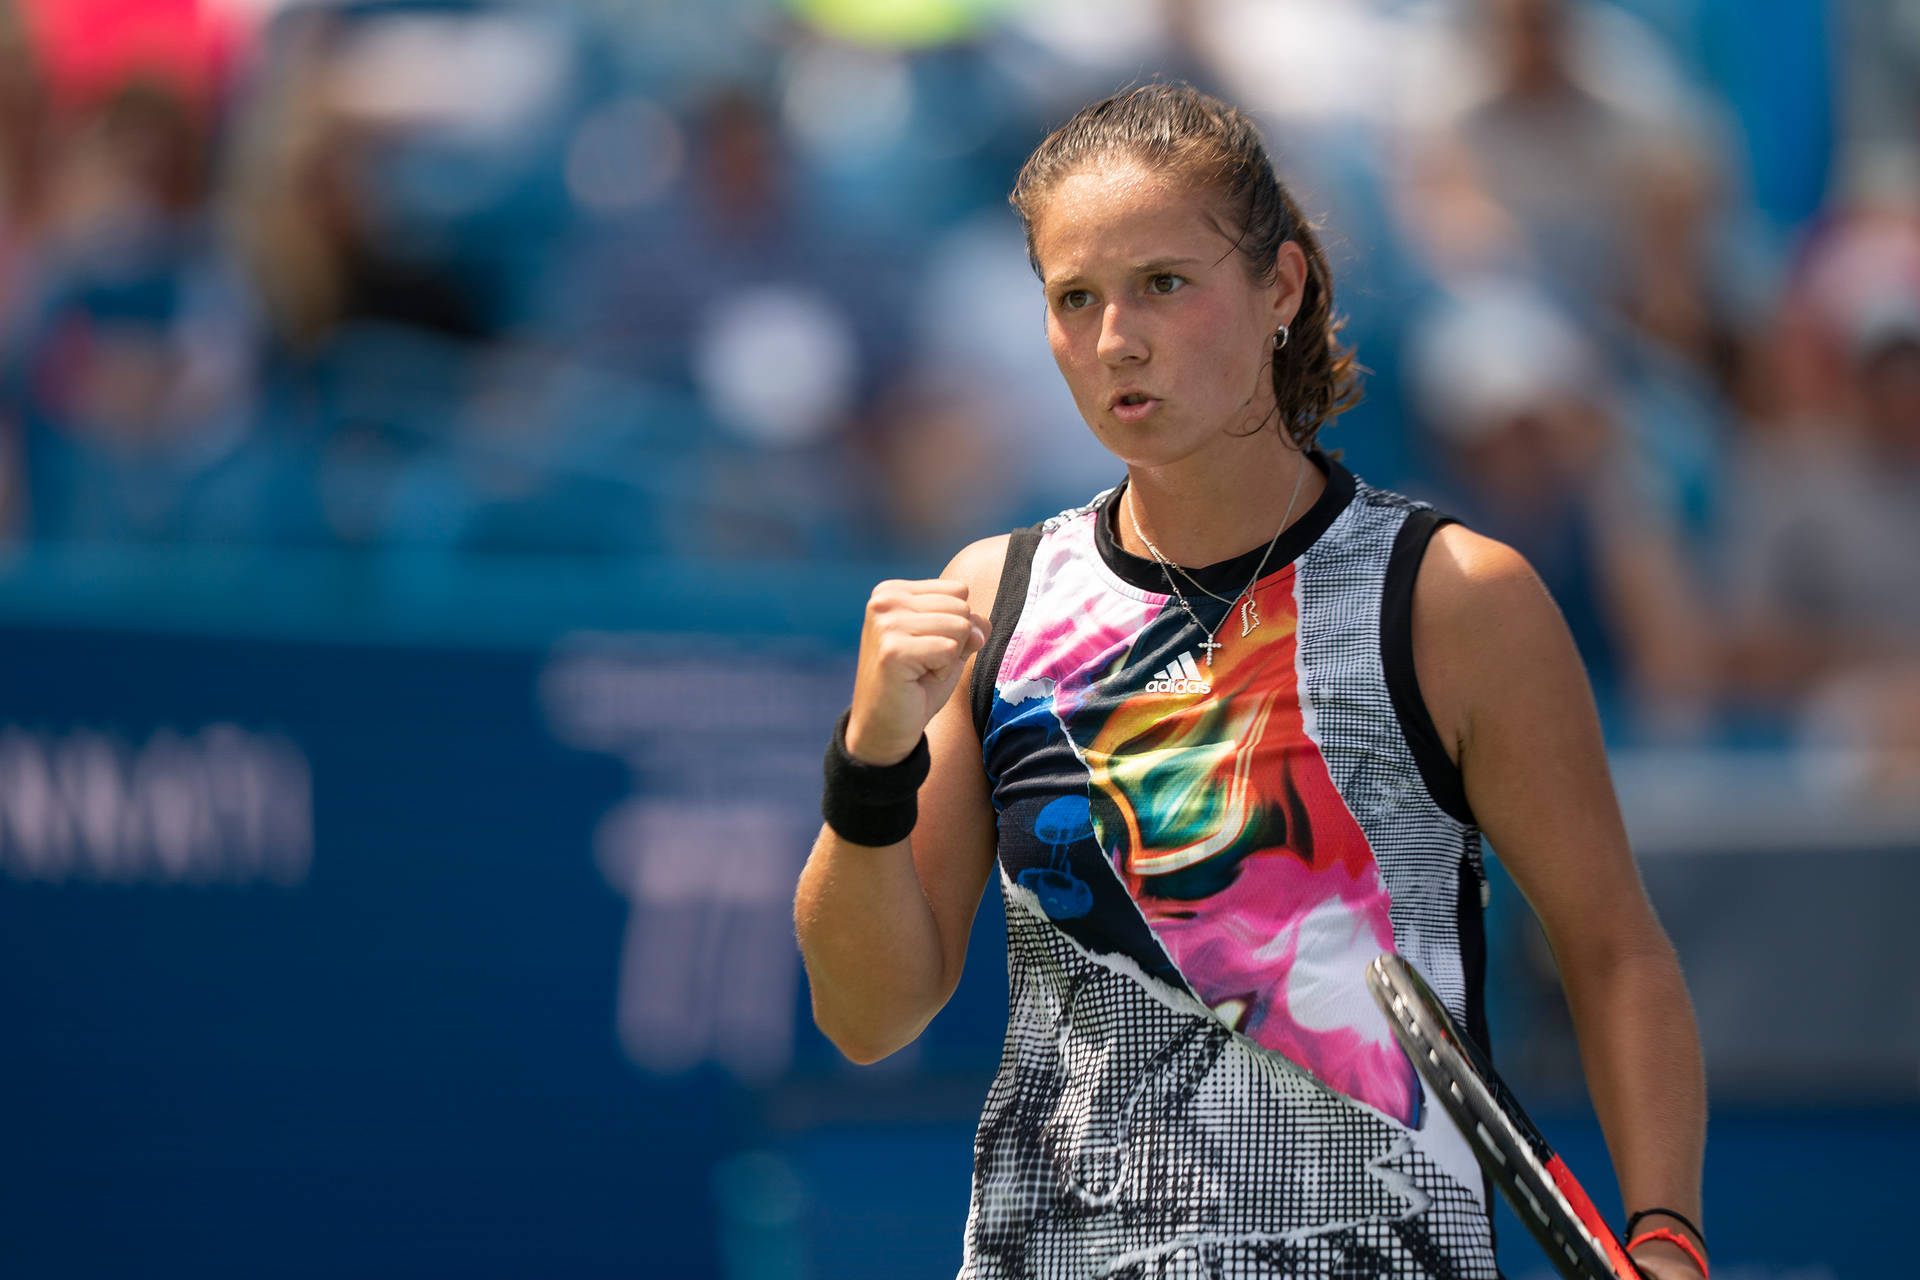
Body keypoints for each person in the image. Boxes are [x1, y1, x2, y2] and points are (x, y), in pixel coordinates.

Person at [794, 84, 1706, 1280]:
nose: (1117, 336)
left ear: (1280, 287)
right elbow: (871, 1017)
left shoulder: (1454, 599)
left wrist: (1667, 1235)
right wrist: (869, 764)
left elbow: (1614, 951)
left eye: (1165, 284)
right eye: (1076, 298)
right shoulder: (990, 599)